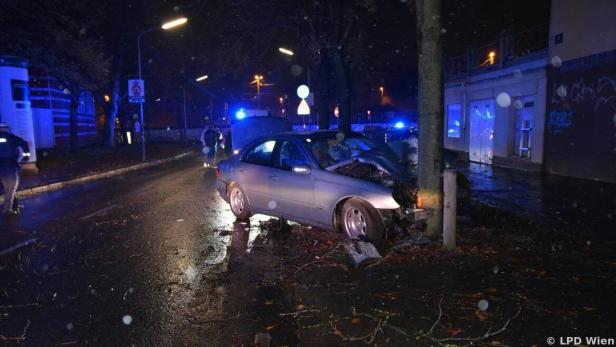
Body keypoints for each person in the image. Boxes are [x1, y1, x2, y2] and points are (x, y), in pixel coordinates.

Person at [0, 123, 30, 215]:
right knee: (11, 188)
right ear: (7, 129)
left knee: (8, 188)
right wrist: (26, 157)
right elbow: (24, 144)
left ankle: (14, 205)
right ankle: (7, 210)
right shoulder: (11, 137)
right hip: (10, 166)